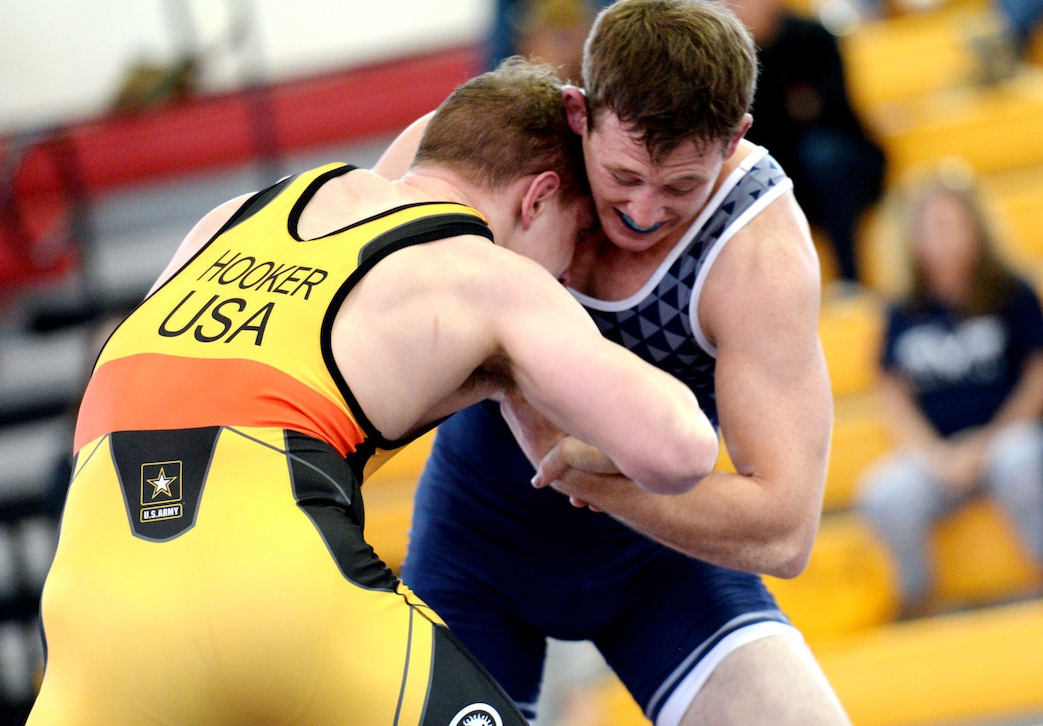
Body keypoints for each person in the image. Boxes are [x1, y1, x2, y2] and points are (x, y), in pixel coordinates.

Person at [25, 58, 721, 726]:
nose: (568, 274)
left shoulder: (238, 213)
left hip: (88, 604)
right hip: (269, 593)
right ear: (537, 198)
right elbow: (677, 449)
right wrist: (570, 439)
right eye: (574, 243)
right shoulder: (483, 273)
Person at [375, 1, 849, 723]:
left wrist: (587, 475)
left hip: (659, 564)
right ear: (579, 114)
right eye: (622, 175)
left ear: (734, 140)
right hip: (479, 546)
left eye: (682, 187)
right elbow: (352, 291)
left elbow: (784, 531)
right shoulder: (491, 148)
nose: (644, 212)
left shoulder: (756, 250)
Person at [855, 168, 1043, 619]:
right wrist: (934, 455)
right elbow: (892, 392)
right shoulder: (903, 307)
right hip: (940, 454)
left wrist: (988, 441)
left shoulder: (1011, 291)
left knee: (1020, 461)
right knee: (883, 492)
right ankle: (918, 600)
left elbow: (1037, 373)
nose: (941, 236)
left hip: (1006, 438)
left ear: (976, 225)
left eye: (951, 222)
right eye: (930, 226)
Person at [725, 0, 887, 285]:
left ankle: (851, 279)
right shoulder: (727, 57)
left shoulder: (813, 36)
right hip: (781, 168)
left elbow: (836, 110)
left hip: (840, 165)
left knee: (823, 156)